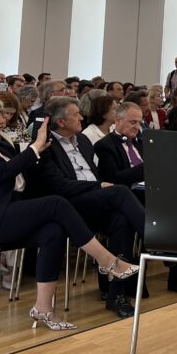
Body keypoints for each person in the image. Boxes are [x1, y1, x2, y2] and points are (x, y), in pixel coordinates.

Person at [0, 97, 138, 329]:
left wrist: (41, 154)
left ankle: (43, 308)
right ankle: (107, 261)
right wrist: (35, 147)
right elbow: (2, 172)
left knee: (53, 230)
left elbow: (24, 175)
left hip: (5, 214)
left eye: (1, 115)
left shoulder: (1, 146)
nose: (3, 120)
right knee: (55, 204)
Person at [29, 96, 149, 316]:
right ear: (61, 122)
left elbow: (95, 174)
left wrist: (98, 186)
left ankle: (116, 296)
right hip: (67, 205)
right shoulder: (46, 144)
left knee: (121, 220)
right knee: (121, 191)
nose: (82, 118)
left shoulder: (83, 141)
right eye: (76, 114)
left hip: (92, 200)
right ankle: (154, 239)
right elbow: (58, 185)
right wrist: (97, 186)